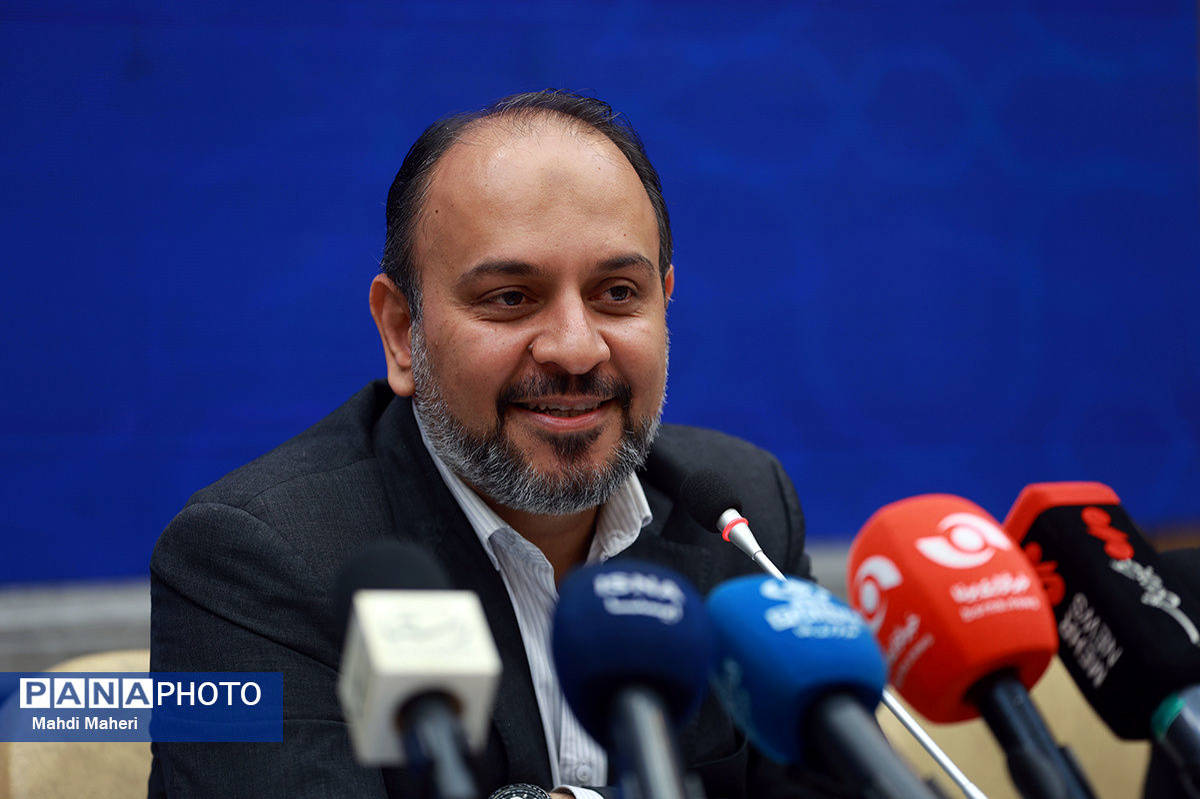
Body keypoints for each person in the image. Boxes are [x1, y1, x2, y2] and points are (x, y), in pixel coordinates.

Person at [148, 90, 842, 798]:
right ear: (401, 333)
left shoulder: (742, 519)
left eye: (617, 293)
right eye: (510, 297)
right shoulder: (249, 560)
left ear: (664, 305)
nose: (575, 348)